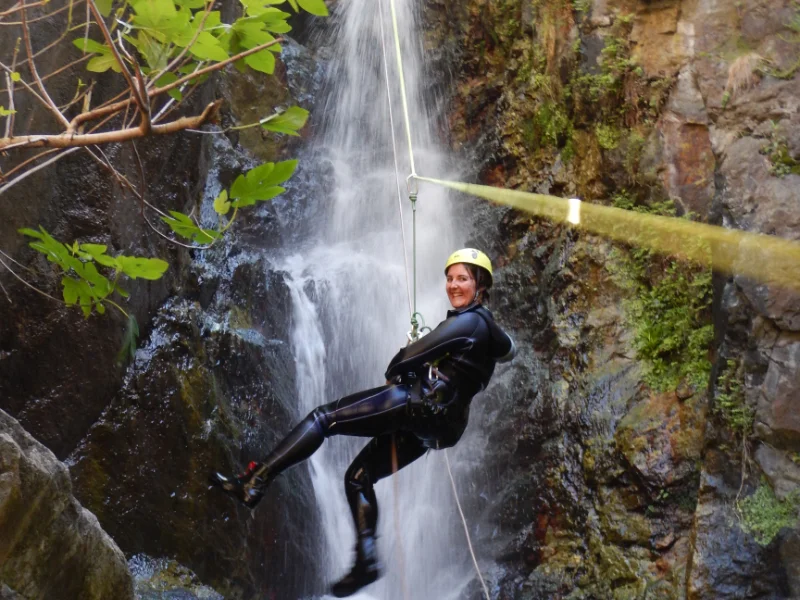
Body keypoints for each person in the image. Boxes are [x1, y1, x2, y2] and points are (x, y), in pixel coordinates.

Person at [210, 248, 516, 597]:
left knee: (324, 418)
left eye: (462, 278)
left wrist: (404, 362)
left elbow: (403, 362)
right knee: (358, 478)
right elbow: (509, 350)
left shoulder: (467, 322)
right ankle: (366, 561)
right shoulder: (489, 329)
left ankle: (255, 481)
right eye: (449, 278)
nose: (452, 285)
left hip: (420, 405)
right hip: (444, 428)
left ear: (480, 285)